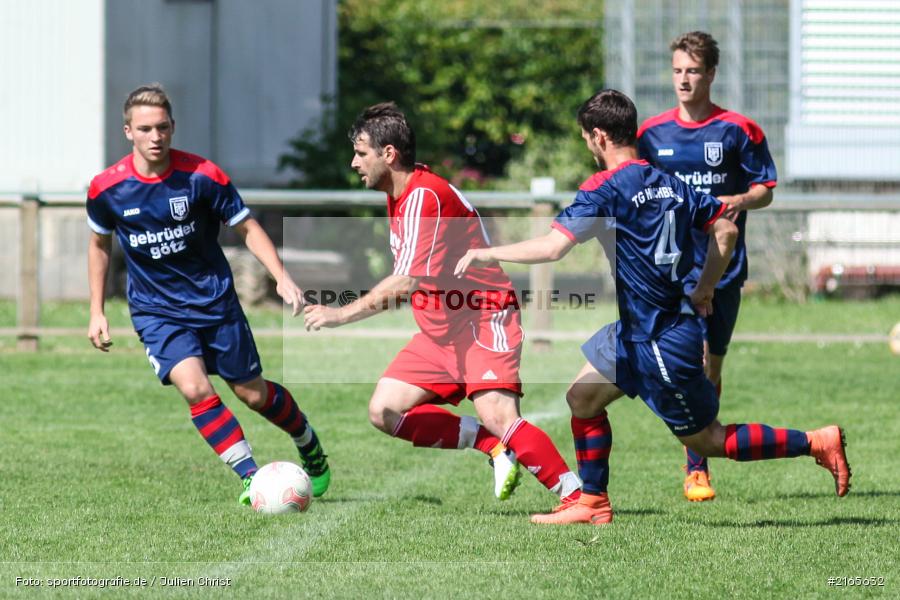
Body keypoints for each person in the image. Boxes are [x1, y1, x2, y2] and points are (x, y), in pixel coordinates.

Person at [455, 89, 850, 526]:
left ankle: (815, 442)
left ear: (600, 136)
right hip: (638, 330)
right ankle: (592, 502)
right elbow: (726, 231)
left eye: (587, 137)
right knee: (582, 398)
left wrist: (488, 254)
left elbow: (552, 249)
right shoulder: (670, 182)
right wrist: (704, 288)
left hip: (661, 339)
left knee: (707, 441)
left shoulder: (603, 189)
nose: (588, 145)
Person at [303, 102, 582, 504]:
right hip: (441, 331)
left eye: (361, 152)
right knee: (384, 411)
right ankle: (492, 447)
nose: (353, 162)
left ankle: (578, 499)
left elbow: (406, 281)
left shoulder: (423, 197)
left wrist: (339, 313)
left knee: (501, 417)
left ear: (389, 154)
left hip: (483, 320)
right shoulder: (401, 193)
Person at [86, 84, 330, 505]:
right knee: (195, 388)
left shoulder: (202, 176)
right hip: (156, 310)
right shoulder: (106, 189)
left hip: (215, 302)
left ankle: (306, 440)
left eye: (162, 127)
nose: (155, 136)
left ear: (173, 127)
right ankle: (252, 479)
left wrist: (281, 277)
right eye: (145, 128)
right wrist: (96, 309)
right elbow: (98, 246)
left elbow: (248, 228)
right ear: (128, 131)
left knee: (252, 393)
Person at [637, 31, 778, 502]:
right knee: (691, 365)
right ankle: (696, 468)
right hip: (673, 272)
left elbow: (766, 189)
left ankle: (703, 452)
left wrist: (739, 199)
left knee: (712, 366)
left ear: (711, 74)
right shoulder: (651, 136)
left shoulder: (739, 130)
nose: (684, 79)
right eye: (677, 70)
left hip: (724, 268)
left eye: (693, 70)